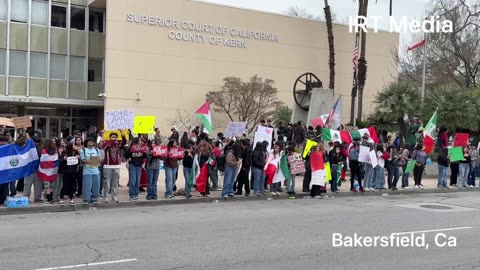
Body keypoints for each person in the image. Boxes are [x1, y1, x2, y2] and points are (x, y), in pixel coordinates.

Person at [100, 131, 127, 203]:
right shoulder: (107, 144)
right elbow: (103, 146)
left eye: (115, 137)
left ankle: (114, 196)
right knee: (107, 182)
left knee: (115, 182)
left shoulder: (118, 145)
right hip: (107, 166)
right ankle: (106, 196)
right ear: (110, 138)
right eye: (112, 137)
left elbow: (124, 142)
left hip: (117, 166)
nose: (114, 138)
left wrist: (123, 135)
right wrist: (110, 141)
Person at [80, 137, 102, 206]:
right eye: (89, 141)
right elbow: (82, 160)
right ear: (86, 143)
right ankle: (86, 199)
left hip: (96, 171)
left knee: (96, 185)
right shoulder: (83, 150)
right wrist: (89, 161)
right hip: (87, 171)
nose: (91, 142)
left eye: (92, 141)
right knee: (87, 186)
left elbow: (99, 159)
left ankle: (95, 199)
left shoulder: (97, 150)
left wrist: (97, 160)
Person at [23, 136, 43, 202]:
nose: (36, 143)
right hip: (29, 168)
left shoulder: (41, 148)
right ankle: (26, 197)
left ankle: (37, 197)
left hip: (38, 168)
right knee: (27, 183)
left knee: (38, 184)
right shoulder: (26, 148)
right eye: (35, 142)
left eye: (37, 142)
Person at [53, 138, 66, 203]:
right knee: (56, 183)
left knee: (61, 183)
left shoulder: (65, 150)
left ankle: (58, 196)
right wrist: (63, 159)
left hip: (63, 168)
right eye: (61, 141)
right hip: (56, 168)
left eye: (63, 141)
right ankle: (54, 196)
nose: (63, 142)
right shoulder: (55, 150)